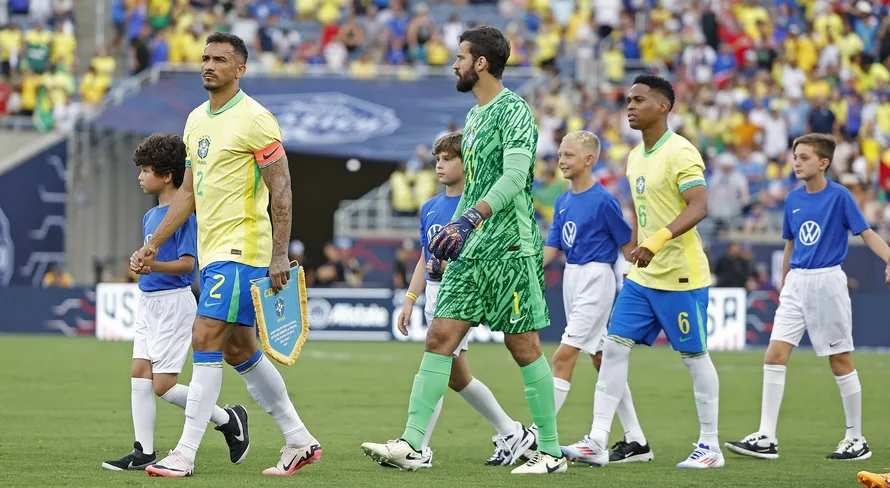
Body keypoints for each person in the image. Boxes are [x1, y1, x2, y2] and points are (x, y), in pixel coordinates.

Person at [361, 25, 567, 475]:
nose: (454, 64)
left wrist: (471, 217)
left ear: (481, 63)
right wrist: (460, 227)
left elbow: (515, 178)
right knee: (439, 339)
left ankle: (550, 452)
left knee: (523, 346)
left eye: (460, 57)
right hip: (469, 252)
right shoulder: (473, 118)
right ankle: (412, 444)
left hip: (510, 249)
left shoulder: (514, 110)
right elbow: (476, 183)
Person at [130, 32, 321, 478]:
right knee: (239, 349)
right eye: (205, 58)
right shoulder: (196, 120)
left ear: (240, 69)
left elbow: (281, 189)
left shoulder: (256, 119)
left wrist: (279, 254)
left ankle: (184, 454)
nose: (209, 65)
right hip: (213, 250)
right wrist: (154, 243)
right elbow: (188, 193)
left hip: (243, 247)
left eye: (219, 59)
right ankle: (299, 439)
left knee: (205, 335)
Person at [564, 74, 723, 469]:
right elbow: (640, 210)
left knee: (694, 356)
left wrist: (658, 241)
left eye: (638, 100)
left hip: (681, 277)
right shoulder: (635, 156)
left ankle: (710, 446)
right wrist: (635, 250)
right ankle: (598, 438)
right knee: (613, 349)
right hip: (643, 277)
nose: (630, 106)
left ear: (663, 106)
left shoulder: (681, 152)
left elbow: (699, 206)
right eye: (628, 100)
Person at [726, 134, 890, 464]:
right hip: (796, 284)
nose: (796, 162)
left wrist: (889, 258)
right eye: (795, 156)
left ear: (823, 162)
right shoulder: (792, 199)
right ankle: (766, 437)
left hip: (827, 282)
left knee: (839, 359)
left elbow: (867, 233)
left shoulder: (840, 196)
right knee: (774, 354)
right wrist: (785, 282)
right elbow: (790, 244)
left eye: (804, 157)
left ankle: (856, 438)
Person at [102, 133, 248, 472]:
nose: (140, 177)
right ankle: (143, 451)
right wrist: (142, 265)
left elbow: (187, 266)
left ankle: (228, 419)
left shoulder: (183, 216)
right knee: (140, 374)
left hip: (174, 304)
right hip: (148, 302)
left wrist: (153, 264)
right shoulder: (151, 216)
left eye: (146, 170)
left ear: (167, 175)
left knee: (164, 386)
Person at [392, 132, 537, 469]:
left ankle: (417, 448)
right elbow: (424, 258)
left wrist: (452, 266)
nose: (439, 165)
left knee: (435, 366)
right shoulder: (429, 207)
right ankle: (514, 434)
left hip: (460, 295)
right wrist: (410, 299)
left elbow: (482, 255)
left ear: (466, 163)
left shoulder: (478, 208)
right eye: (437, 159)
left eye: (448, 159)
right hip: (433, 294)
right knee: (457, 378)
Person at [543, 130, 653, 464]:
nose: (562, 160)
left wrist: (633, 273)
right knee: (602, 359)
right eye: (560, 154)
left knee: (563, 355)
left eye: (569, 155)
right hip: (572, 276)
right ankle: (637, 440)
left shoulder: (604, 201)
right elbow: (553, 245)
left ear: (589, 160)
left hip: (596, 277)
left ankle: (537, 437)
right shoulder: (563, 201)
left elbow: (626, 242)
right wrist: (525, 268)